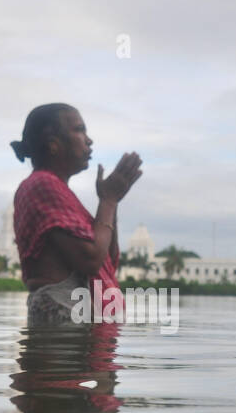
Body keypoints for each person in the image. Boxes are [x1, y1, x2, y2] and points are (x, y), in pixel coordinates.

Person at [10, 104, 142, 326]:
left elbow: (106, 260)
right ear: (53, 145)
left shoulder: (58, 190)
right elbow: (90, 260)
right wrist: (108, 201)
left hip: (75, 321)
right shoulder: (42, 184)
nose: (89, 140)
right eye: (80, 130)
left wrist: (110, 202)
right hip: (63, 318)